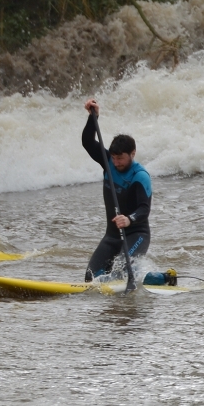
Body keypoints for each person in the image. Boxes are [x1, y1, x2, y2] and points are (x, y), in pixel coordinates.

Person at [82, 99, 152, 282]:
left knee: (121, 272)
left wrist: (129, 219)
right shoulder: (108, 164)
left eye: (120, 158)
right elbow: (88, 142)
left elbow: (144, 209)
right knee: (91, 277)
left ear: (132, 153)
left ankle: (156, 279)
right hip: (112, 236)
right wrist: (93, 117)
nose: (116, 162)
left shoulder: (140, 176)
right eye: (113, 158)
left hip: (136, 234)